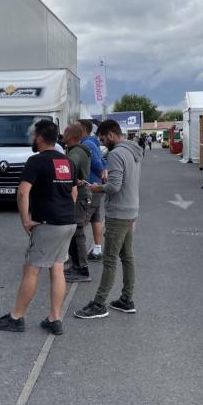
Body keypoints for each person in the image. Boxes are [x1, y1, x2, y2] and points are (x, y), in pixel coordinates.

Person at [0, 119, 77, 336]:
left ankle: (16, 317)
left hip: (47, 224)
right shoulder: (67, 161)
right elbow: (74, 193)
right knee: (57, 267)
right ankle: (54, 318)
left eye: (34, 136)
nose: (33, 139)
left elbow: (22, 192)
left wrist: (25, 221)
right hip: (68, 222)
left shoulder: (36, 161)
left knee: (32, 269)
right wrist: (64, 213)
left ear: (39, 137)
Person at [74, 119, 142, 319]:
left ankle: (99, 303)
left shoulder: (116, 153)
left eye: (104, 139)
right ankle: (126, 299)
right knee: (127, 257)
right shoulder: (134, 150)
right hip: (131, 209)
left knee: (110, 259)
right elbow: (126, 180)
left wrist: (97, 188)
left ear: (111, 134)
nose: (103, 144)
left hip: (118, 212)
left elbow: (114, 187)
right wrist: (110, 180)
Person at [63, 124, 93, 283]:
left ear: (71, 136)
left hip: (78, 197)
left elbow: (67, 171)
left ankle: (82, 269)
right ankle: (76, 266)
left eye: (65, 133)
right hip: (80, 195)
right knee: (74, 233)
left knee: (77, 233)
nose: (62, 134)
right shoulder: (77, 150)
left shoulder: (75, 153)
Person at [79, 120, 106, 262]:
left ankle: (79, 256)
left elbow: (97, 163)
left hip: (92, 187)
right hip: (96, 186)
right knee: (95, 218)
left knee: (80, 222)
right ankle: (97, 250)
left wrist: (102, 173)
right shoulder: (92, 142)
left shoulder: (86, 144)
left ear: (83, 129)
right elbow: (102, 160)